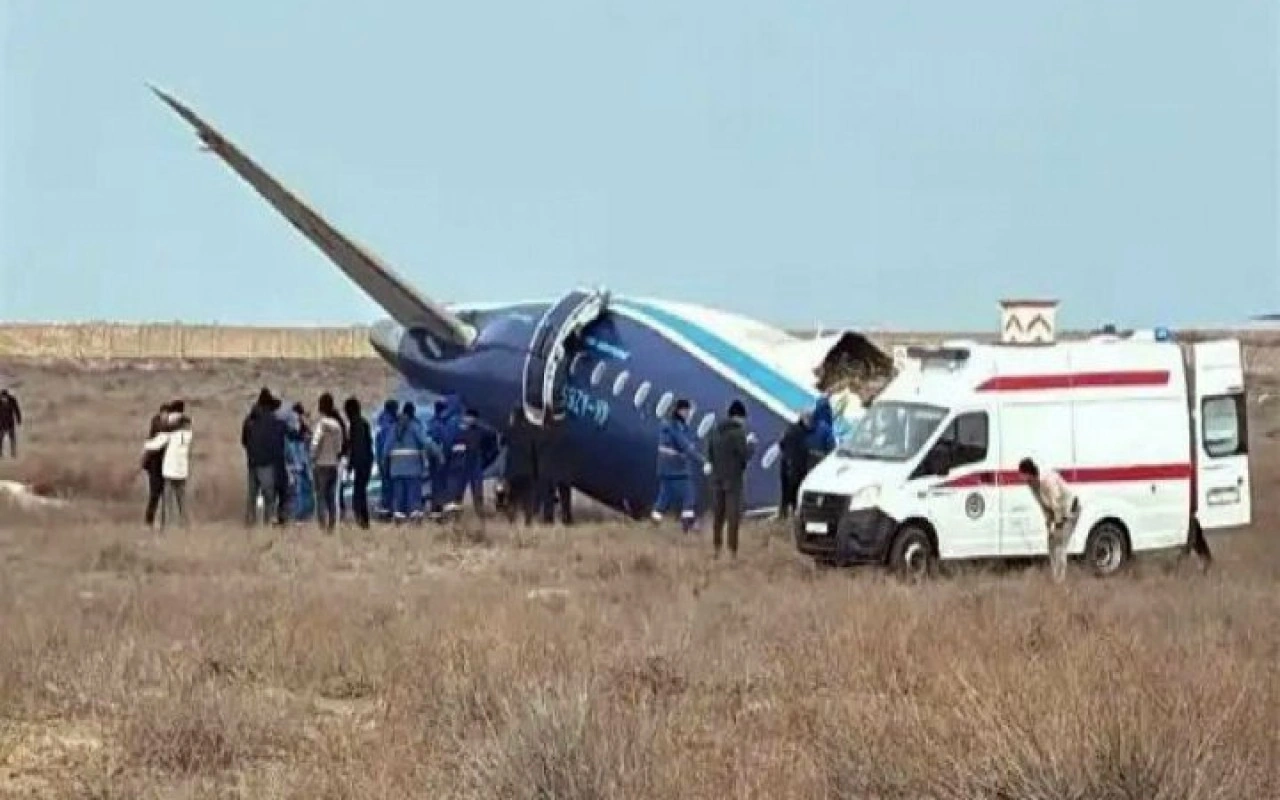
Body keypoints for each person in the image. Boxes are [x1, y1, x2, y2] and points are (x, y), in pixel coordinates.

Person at [705, 400, 757, 557]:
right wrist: (751, 445)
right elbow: (744, 455)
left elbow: (710, 454)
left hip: (717, 479)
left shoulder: (715, 431)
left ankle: (716, 547)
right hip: (733, 480)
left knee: (718, 515)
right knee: (733, 516)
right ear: (739, 417)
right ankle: (732, 551)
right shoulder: (738, 433)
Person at [1018, 458, 1080, 583]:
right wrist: (1048, 521)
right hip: (1056, 512)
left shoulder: (1047, 480)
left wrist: (1058, 523)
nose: (1020, 477)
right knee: (1051, 543)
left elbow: (1056, 502)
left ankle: (1060, 580)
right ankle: (1055, 576)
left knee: (1059, 544)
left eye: (1022, 473)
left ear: (1029, 472)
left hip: (1069, 510)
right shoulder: (1032, 484)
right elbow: (1042, 503)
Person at [651, 398, 704, 532]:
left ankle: (654, 522)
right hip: (676, 469)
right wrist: (703, 461)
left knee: (664, 497)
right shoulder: (675, 427)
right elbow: (685, 447)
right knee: (689, 494)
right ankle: (687, 524)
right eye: (688, 411)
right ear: (681, 411)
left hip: (666, 468)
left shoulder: (671, 425)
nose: (689, 414)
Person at [386, 402, 441, 522]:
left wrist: (385, 467)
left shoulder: (393, 428)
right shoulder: (414, 426)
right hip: (413, 469)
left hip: (396, 470)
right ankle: (414, 520)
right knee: (414, 497)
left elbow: (386, 449)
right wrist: (438, 453)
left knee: (399, 497)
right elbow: (426, 441)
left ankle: (399, 519)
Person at [143, 404, 192, 530]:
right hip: (181, 470)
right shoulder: (188, 433)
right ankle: (184, 523)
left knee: (167, 498)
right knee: (181, 499)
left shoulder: (170, 433)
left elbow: (153, 444)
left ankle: (168, 524)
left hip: (170, 470)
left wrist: (147, 444)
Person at [242, 388, 286, 527]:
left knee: (252, 497)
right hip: (267, 463)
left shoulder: (249, 420)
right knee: (269, 497)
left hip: (252, 462)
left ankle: (249, 526)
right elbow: (278, 443)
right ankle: (267, 527)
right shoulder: (274, 421)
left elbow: (244, 441)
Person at [447, 408, 497, 516]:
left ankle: (480, 514)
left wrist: (486, 456)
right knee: (458, 491)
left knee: (477, 490)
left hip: (475, 462)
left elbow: (492, 440)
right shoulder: (458, 430)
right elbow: (450, 445)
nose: (469, 419)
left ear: (476, 419)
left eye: (471, 417)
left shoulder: (482, 431)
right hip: (461, 463)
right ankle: (455, 515)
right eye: (467, 417)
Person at [311, 393, 346, 532]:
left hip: (321, 465)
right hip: (333, 465)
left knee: (320, 497)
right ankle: (332, 526)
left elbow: (315, 443)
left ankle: (322, 526)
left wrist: (313, 456)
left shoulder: (321, 424)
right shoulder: (337, 425)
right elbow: (339, 447)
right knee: (332, 498)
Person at [501, 405, 539, 525]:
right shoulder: (531, 432)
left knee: (512, 497)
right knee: (528, 497)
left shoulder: (510, 431)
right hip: (528, 470)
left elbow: (502, 443)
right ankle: (528, 521)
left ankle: (511, 520)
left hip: (513, 471)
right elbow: (535, 452)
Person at [142, 402, 175, 527]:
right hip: (154, 464)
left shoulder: (171, 426)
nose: (166, 416)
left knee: (166, 494)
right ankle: (149, 521)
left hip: (166, 464)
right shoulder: (156, 423)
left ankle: (164, 522)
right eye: (164, 413)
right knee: (155, 494)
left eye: (168, 414)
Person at [538, 410, 575, 525]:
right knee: (564, 495)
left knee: (549, 495)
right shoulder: (565, 431)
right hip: (562, 467)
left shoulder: (543, 432)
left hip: (549, 468)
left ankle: (549, 519)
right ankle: (566, 518)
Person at [344, 396, 374, 529]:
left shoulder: (355, 424)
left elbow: (357, 447)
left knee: (359, 494)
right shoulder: (363, 422)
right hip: (366, 462)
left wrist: (351, 465)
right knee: (361, 493)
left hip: (361, 463)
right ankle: (363, 520)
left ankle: (361, 520)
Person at [777, 410, 812, 519]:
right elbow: (804, 450)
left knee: (785, 491)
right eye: (809, 419)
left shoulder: (790, 428)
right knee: (795, 491)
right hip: (796, 466)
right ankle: (794, 514)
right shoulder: (804, 433)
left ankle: (783, 514)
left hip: (786, 464)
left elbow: (781, 444)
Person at [374, 399, 400, 516]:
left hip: (382, 457)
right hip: (387, 458)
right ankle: (388, 507)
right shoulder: (388, 424)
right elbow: (388, 443)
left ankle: (386, 507)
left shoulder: (382, 422)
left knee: (386, 483)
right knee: (389, 484)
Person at [806, 395, 837, 472]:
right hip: (819, 459)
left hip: (806, 456)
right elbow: (831, 447)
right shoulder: (827, 428)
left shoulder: (810, 423)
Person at [0, 389, 21, 459]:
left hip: (10, 422)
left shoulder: (12, 400)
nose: (4, 399)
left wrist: (18, 419)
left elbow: (17, 410)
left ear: (7, 396)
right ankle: (0, 453)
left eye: (5, 397)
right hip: (1, 423)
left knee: (12, 438)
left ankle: (13, 453)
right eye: (2, 398)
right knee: (0, 438)